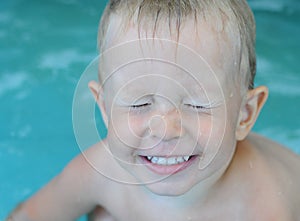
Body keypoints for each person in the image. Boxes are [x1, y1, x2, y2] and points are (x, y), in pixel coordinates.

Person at [6, 0, 300, 220]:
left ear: (245, 114)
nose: (166, 129)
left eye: (197, 105)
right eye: (140, 104)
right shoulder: (100, 172)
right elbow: (29, 216)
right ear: (105, 107)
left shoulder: (260, 208)